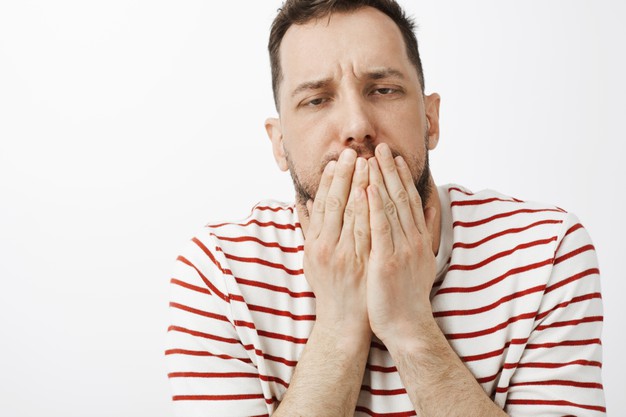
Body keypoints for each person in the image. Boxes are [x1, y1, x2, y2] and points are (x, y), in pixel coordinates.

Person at [165, 0, 606, 415]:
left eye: (383, 89)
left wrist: (409, 325)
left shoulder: (545, 251)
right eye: (317, 99)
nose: (357, 126)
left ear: (430, 119)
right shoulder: (219, 271)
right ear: (280, 144)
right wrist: (339, 325)